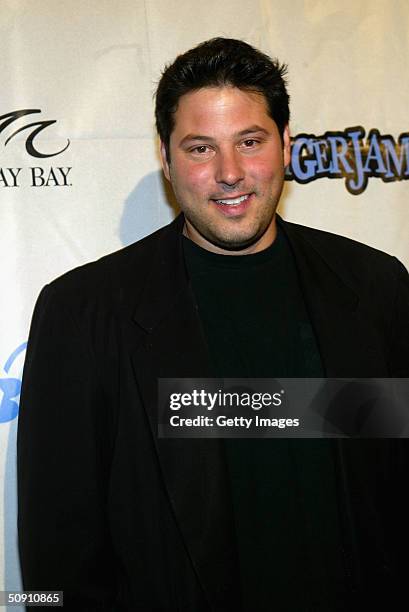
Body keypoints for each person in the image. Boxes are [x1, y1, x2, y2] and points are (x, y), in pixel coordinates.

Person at [17, 37, 409, 611]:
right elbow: (58, 555)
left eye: (250, 142)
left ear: (286, 145)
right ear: (167, 160)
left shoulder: (377, 288)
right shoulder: (82, 313)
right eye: (201, 149)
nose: (230, 173)